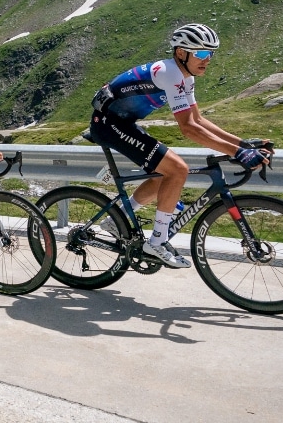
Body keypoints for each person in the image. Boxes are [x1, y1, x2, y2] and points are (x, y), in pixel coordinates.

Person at [90, 23, 271, 268]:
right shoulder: (171, 73)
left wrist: (243, 145)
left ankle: (118, 217)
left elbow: (198, 120)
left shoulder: (185, 76)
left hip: (121, 122)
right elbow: (188, 129)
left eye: (211, 54)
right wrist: (238, 153)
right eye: (202, 54)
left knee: (163, 173)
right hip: (108, 124)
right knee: (178, 169)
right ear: (181, 53)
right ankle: (156, 242)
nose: (207, 60)